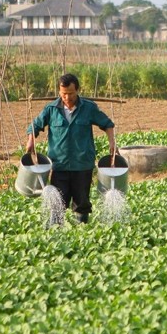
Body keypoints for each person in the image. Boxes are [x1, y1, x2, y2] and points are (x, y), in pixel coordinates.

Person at [26, 73, 116, 223]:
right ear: (59, 92)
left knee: (82, 203)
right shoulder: (51, 109)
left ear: (77, 90)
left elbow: (107, 124)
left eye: (70, 94)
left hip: (82, 164)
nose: (67, 98)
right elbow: (34, 126)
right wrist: (31, 140)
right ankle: (56, 230)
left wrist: (112, 142)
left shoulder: (88, 108)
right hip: (59, 164)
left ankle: (81, 231)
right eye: (63, 94)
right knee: (57, 203)